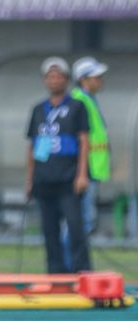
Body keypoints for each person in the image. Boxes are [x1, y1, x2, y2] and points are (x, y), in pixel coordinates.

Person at [26, 56, 91, 274]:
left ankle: (81, 272)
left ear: (66, 79)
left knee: (75, 228)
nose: (54, 80)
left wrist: (82, 175)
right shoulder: (38, 109)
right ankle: (55, 274)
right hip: (44, 180)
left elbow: (84, 141)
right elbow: (32, 147)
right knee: (49, 231)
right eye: (50, 76)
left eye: (58, 76)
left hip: (68, 179)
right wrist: (30, 180)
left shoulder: (77, 107)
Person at [61, 56, 110, 269]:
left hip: (91, 170)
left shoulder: (89, 99)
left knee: (83, 220)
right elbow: (81, 139)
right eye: (95, 77)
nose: (100, 80)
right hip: (83, 171)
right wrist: (81, 173)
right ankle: (72, 267)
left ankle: (77, 266)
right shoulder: (79, 100)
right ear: (83, 79)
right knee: (78, 221)